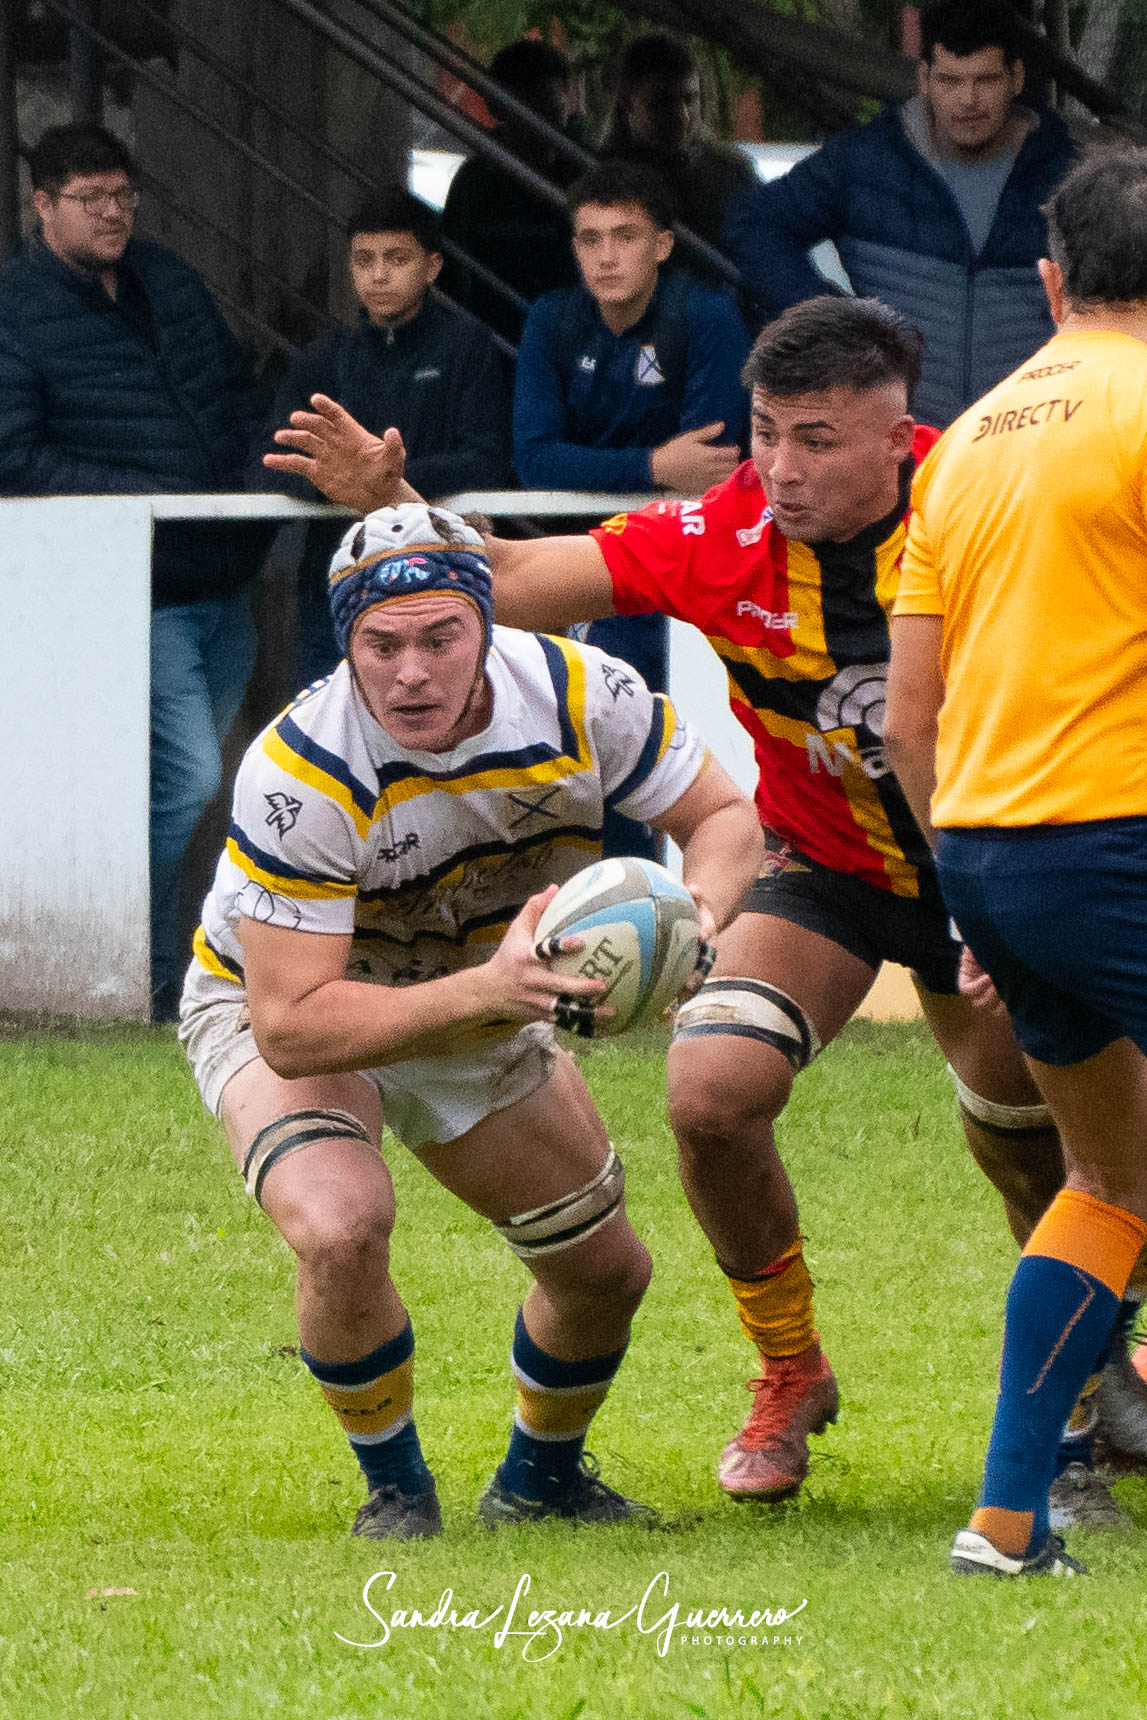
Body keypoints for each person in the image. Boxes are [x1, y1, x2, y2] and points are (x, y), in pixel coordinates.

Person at [259, 296, 1130, 1526]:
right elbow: (504, 583)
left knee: (1022, 1132)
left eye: (817, 439)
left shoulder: (984, 503)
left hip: (987, 862)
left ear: (900, 436)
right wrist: (398, 506)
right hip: (826, 872)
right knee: (708, 1092)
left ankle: (1086, 1411)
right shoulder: (724, 534)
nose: (779, 467)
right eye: (767, 431)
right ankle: (789, 1369)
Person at [178, 501, 762, 1538]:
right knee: (342, 1225)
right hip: (291, 996)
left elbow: (719, 816)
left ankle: (539, 1486)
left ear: (486, 628)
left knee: (602, 1271)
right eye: (381, 644)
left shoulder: (583, 694)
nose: (411, 671)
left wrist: (697, 920)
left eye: (440, 637)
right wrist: (492, 993)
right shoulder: (302, 770)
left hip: (479, 988)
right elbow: (294, 1028)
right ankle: (396, 1490)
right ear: (344, 643)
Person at [885, 147, 1147, 1577]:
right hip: (1120, 833)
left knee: (1107, 1180)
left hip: (989, 847)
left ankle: (1004, 1512)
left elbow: (908, 718)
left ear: (1050, 281)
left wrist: (966, 890)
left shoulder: (968, 440)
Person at [0, 122, 266, 1022]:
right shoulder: (12, 307)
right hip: (132, 594)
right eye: (89, 198)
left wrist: (248, 477)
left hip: (224, 575)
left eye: (123, 193)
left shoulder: (171, 277)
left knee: (201, 784)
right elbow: (15, 459)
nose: (113, 211)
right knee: (189, 779)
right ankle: (144, 969)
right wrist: (155, 494)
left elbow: (237, 389)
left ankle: (165, 966)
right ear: (42, 206)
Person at [513, 160, 749, 858]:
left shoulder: (704, 316)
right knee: (588, 750)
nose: (606, 256)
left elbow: (708, 465)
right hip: (580, 564)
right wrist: (649, 466)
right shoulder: (552, 319)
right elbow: (533, 458)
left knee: (669, 753)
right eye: (589, 238)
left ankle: (684, 915)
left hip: (682, 563)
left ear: (663, 245)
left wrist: (637, 474)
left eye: (624, 236)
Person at [724, 0, 1074, 428]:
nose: (968, 99)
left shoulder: (1067, 173)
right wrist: (833, 322)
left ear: (1016, 78)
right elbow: (756, 226)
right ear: (924, 78)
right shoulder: (865, 161)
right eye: (950, 80)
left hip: (1028, 436)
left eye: (985, 80)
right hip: (896, 438)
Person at [251, 187, 512, 683]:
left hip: (437, 575)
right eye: (363, 259)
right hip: (336, 579)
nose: (378, 274)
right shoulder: (326, 356)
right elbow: (270, 460)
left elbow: (487, 458)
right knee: (327, 734)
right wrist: (346, 480)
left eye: (397, 258)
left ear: (432, 267)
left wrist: (374, 478)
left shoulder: (466, 345)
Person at [442, 39, 581, 345]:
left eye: (553, 113)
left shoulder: (584, 177)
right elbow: (451, 277)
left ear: (569, 104)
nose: (542, 133)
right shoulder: (477, 183)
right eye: (528, 116)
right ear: (497, 107)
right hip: (494, 347)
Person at [600, 33, 756, 280]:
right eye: (662, 102)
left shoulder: (730, 174)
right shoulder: (600, 178)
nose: (681, 115)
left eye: (689, 99)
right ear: (628, 103)